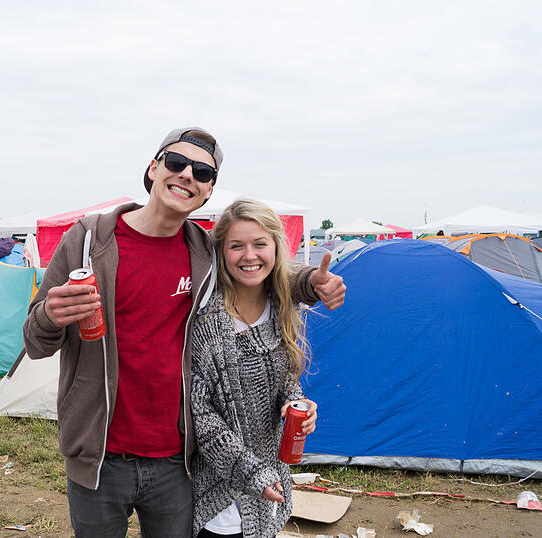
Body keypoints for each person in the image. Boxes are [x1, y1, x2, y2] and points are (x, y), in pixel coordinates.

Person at [21, 127, 347, 538]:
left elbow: (254, 267)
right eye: (176, 163)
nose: (187, 175)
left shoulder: (202, 251)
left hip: (177, 460)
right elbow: (34, 341)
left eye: (203, 172)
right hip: (99, 455)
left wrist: (310, 286)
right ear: (153, 169)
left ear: (209, 191)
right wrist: (50, 314)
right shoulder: (89, 241)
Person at [190, 199, 319, 538]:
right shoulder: (207, 323)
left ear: (275, 247)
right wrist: (253, 475)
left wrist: (296, 405)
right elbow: (202, 419)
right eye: (237, 246)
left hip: (270, 490)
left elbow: (286, 382)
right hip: (220, 499)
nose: (250, 256)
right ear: (222, 252)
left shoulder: (281, 309)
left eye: (260, 244)